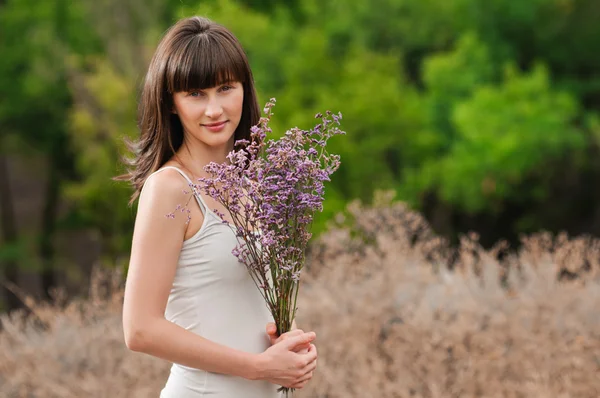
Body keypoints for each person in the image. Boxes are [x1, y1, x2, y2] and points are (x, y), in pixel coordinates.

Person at [118, 16, 318, 397]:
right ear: (171, 104)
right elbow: (139, 329)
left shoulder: (255, 183)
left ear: (245, 89)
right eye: (196, 94)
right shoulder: (170, 189)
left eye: (226, 88)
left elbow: (237, 305)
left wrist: (288, 348)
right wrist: (258, 367)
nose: (214, 109)